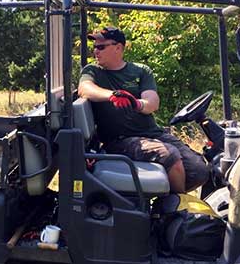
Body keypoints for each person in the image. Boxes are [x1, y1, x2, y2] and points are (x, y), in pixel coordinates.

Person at [77, 27, 209, 193]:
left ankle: (160, 204)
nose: (95, 51)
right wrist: (113, 95)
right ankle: (176, 210)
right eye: (94, 47)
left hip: (152, 134)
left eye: (101, 47)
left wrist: (136, 103)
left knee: (199, 170)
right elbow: (85, 89)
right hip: (119, 140)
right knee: (170, 156)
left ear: (118, 48)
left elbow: (152, 103)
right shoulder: (93, 71)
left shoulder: (140, 71)